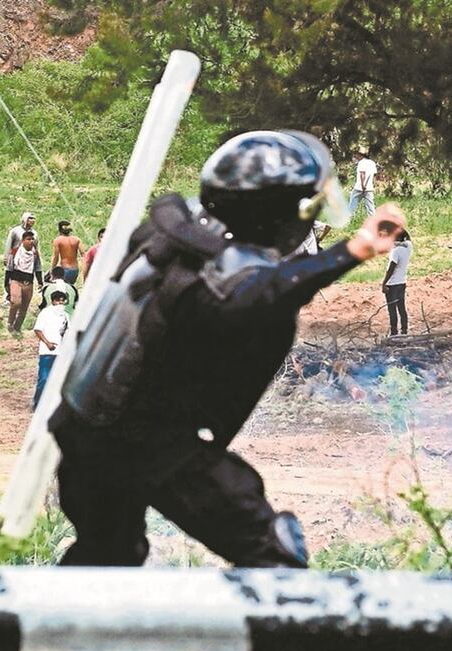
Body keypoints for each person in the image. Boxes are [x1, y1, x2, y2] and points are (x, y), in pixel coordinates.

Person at [49, 130, 405, 567]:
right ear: (280, 215)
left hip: (82, 430)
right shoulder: (219, 281)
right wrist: (352, 250)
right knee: (272, 555)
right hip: (150, 443)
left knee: (106, 555)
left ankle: (58, 632)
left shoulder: (172, 241)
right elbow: (257, 295)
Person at [33, 290, 69, 409]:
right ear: (53, 301)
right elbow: (38, 329)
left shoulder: (65, 316)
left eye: (63, 301)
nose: (61, 303)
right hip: (47, 352)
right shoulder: (45, 313)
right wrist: (47, 343)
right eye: (58, 300)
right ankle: (37, 404)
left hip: (61, 352)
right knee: (44, 379)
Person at [6, 230, 43, 335]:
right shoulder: (15, 251)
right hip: (16, 280)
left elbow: (38, 268)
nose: (31, 241)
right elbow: (9, 267)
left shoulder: (35, 254)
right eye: (28, 239)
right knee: (16, 302)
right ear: (23, 241)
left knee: (24, 307)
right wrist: (6, 283)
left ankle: (17, 328)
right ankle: (10, 322)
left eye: (32, 239)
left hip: (29, 282)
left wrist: (40, 282)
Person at [382, 230, 412, 336]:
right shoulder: (408, 247)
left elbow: (391, 268)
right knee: (402, 308)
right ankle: (404, 330)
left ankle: (394, 332)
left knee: (392, 309)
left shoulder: (395, 251)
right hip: (402, 282)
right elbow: (408, 238)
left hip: (392, 283)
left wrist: (384, 283)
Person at [4, 212, 38, 298]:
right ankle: (9, 295)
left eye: (33, 219)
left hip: (28, 258)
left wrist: (37, 260)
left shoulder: (34, 233)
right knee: (12, 277)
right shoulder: (15, 231)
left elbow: (36, 247)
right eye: (30, 218)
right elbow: (9, 244)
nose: (32, 221)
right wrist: (6, 257)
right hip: (15, 258)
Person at [52, 220, 85, 285]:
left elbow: (55, 257)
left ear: (59, 230)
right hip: (75, 269)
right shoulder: (77, 239)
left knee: (64, 289)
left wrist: (52, 269)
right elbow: (83, 254)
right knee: (71, 287)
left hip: (64, 269)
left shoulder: (58, 240)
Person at [348, 149, 377, 218]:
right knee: (370, 206)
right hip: (369, 188)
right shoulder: (372, 163)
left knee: (352, 203)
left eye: (357, 154)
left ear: (361, 155)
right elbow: (374, 175)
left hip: (359, 187)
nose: (356, 156)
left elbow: (362, 174)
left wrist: (363, 185)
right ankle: (373, 220)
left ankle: (348, 218)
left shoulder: (361, 163)